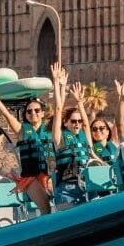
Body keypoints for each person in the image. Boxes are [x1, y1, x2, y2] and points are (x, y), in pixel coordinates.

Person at [0, 74, 54, 214]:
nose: (33, 113)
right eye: (29, 111)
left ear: (42, 113)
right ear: (25, 115)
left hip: (50, 175)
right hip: (31, 177)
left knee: (57, 205)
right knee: (46, 209)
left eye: (36, 110)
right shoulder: (22, 130)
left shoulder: (50, 130)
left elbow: (59, 112)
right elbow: (7, 115)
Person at [51, 67, 94, 207]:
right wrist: (59, 84)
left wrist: (80, 102)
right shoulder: (60, 138)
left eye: (79, 121)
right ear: (66, 122)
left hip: (88, 187)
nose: (77, 124)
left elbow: (87, 124)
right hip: (67, 190)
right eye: (74, 121)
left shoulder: (85, 137)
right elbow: (58, 109)